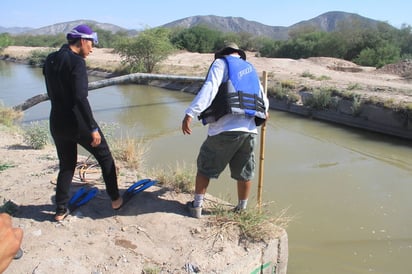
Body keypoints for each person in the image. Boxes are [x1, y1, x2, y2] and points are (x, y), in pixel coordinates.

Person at [43, 25, 123, 222]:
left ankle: (60, 210)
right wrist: (93, 128)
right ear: (82, 41)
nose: (92, 49)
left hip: (56, 121)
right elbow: (80, 98)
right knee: (105, 158)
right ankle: (115, 199)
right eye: (92, 44)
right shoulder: (76, 62)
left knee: (67, 165)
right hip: (78, 122)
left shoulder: (50, 58)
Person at [182, 42, 269, 218]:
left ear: (224, 53)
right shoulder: (250, 68)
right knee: (245, 171)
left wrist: (190, 113)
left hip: (224, 128)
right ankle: (241, 209)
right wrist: (265, 112)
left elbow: (210, 88)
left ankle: (196, 207)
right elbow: (262, 98)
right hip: (250, 130)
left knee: (205, 167)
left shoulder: (221, 63)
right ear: (239, 53)